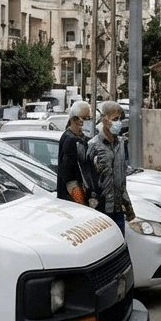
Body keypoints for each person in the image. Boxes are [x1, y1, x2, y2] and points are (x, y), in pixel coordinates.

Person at [87, 101, 136, 234]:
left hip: (118, 210)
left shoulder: (121, 144)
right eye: (115, 119)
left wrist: (128, 207)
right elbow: (88, 180)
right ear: (104, 119)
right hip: (100, 211)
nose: (118, 123)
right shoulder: (93, 145)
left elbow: (121, 180)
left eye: (120, 119)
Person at [57, 100, 93, 203]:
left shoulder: (82, 138)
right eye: (85, 118)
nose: (88, 121)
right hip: (73, 202)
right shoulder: (71, 140)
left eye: (89, 118)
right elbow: (68, 175)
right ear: (74, 119)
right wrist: (81, 202)